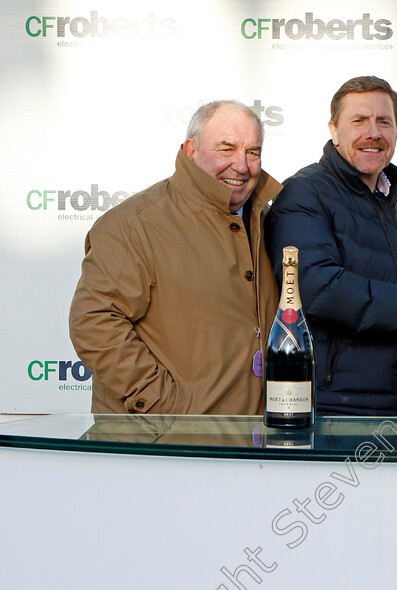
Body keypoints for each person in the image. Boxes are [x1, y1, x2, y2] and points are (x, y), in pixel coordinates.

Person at [69, 100, 282, 414]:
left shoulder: (266, 222)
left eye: (253, 152)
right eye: (226, 148)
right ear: (190, 149)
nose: (242, 164)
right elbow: (93, 320)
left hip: (248, 447)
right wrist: (162, 405)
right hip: (164, 449)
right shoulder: (136, 223)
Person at [265, 76, 397, 416]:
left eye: (383, 122)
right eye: (358, 121)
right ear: (334, 130)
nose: (372, 133)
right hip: (331, 412)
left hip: (394, 412)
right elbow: (318, 288)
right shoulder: (304, 194)